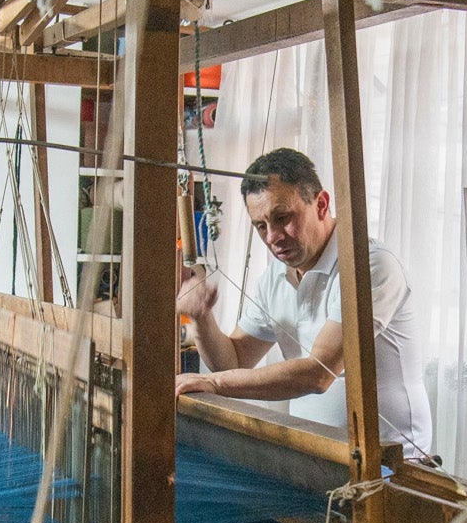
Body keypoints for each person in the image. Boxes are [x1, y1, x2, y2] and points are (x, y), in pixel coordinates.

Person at [176, 147, 435, 461]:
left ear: (321, 204)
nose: (272, 236)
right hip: (317, 455)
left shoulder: (369, 267)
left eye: (282, 218)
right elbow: (233, 362)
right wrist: (202, 319)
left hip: (393, 464)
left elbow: (318, 373)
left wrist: (214, 383)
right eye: (260, 226)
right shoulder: (274, 278)